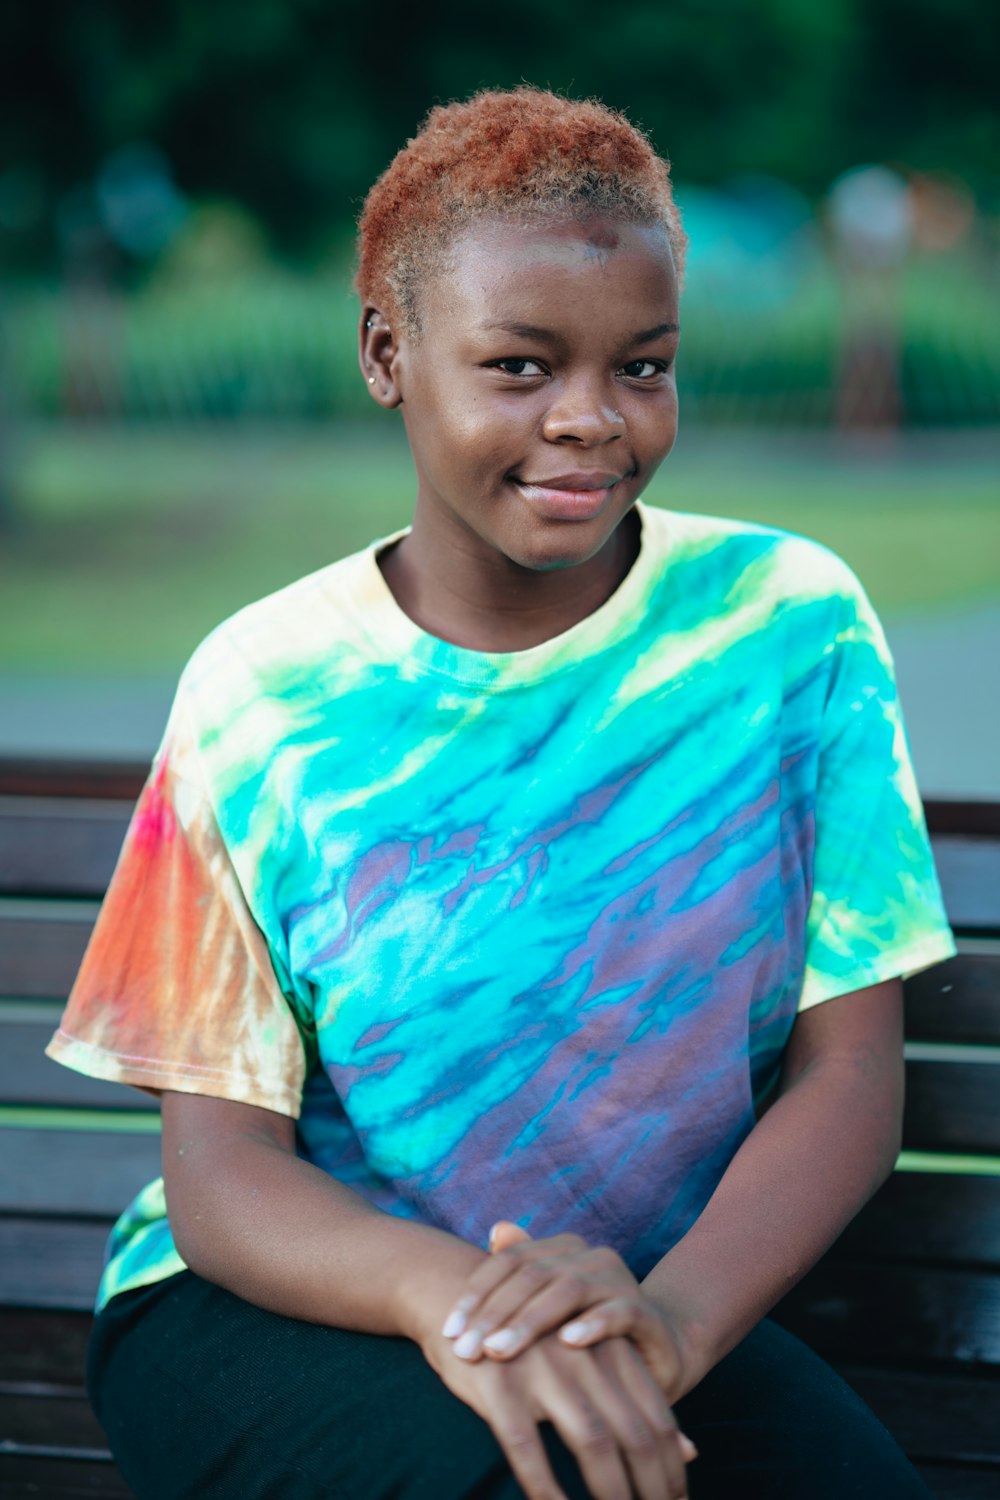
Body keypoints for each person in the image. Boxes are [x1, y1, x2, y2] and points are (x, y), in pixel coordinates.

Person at [46, 87, 956, 1500]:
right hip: (283, 1307)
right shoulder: (267, 693)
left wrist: (667, 1326)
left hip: (637, 1302)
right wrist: (456, 1308)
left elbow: (850, 1072)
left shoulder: (789, 629)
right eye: (522, 368)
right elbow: (223, 1181)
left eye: (642, 366)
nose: (590, 420)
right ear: (388, 353)